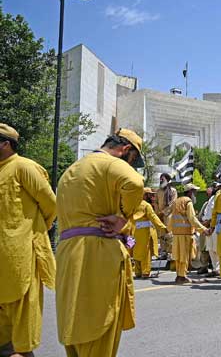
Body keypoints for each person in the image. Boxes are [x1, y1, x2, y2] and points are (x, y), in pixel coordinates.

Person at [55, 128, 145, 357]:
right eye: (133, 159)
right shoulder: (110, 163)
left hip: (67, 252)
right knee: (99, 329)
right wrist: (124, 217)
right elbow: (135, 183)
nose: (131, 164)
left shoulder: (71, 171)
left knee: (75, 324)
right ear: (125, 150)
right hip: (98, 251)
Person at [0, 124, 56, 357]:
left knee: (23, 302)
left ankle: (22, 350)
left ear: (5, 143)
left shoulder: (24, 167)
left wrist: (34, 228)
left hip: (21, 251)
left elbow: (50, 204)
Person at [167, 183, 207, 285]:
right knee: (184, 256)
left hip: (177, 234)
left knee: (179, 256)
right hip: (185, 234)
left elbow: (171, 217)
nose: (196, 194)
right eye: (194, 192)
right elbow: (192, 218)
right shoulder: (188, 202)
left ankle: (179, 275)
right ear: (190, 192)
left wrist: (169, 230)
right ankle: (182, 277)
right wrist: (203, 229)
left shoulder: (177, 202)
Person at [131, 188, 167, 279]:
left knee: (136, 252)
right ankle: (145, 272)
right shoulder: (146, 206)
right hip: (145, 233)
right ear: (144, 195)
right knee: (145, 252)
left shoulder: (133, 204)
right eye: (149, 195)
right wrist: (163, 228)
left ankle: (138, 272)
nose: (152, 197)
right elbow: (154, 217)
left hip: (135, 232)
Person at [199, 184, 221, 277]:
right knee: (211, 249)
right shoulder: (211, 199)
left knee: (217, 249)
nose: (217, 188)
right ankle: (215, 270)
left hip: (215, 226)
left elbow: (216, 214)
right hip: (208, 227)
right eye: (216, 187)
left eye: (218, 187)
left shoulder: (219, 198)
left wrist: (209, 224)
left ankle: (220, 269)